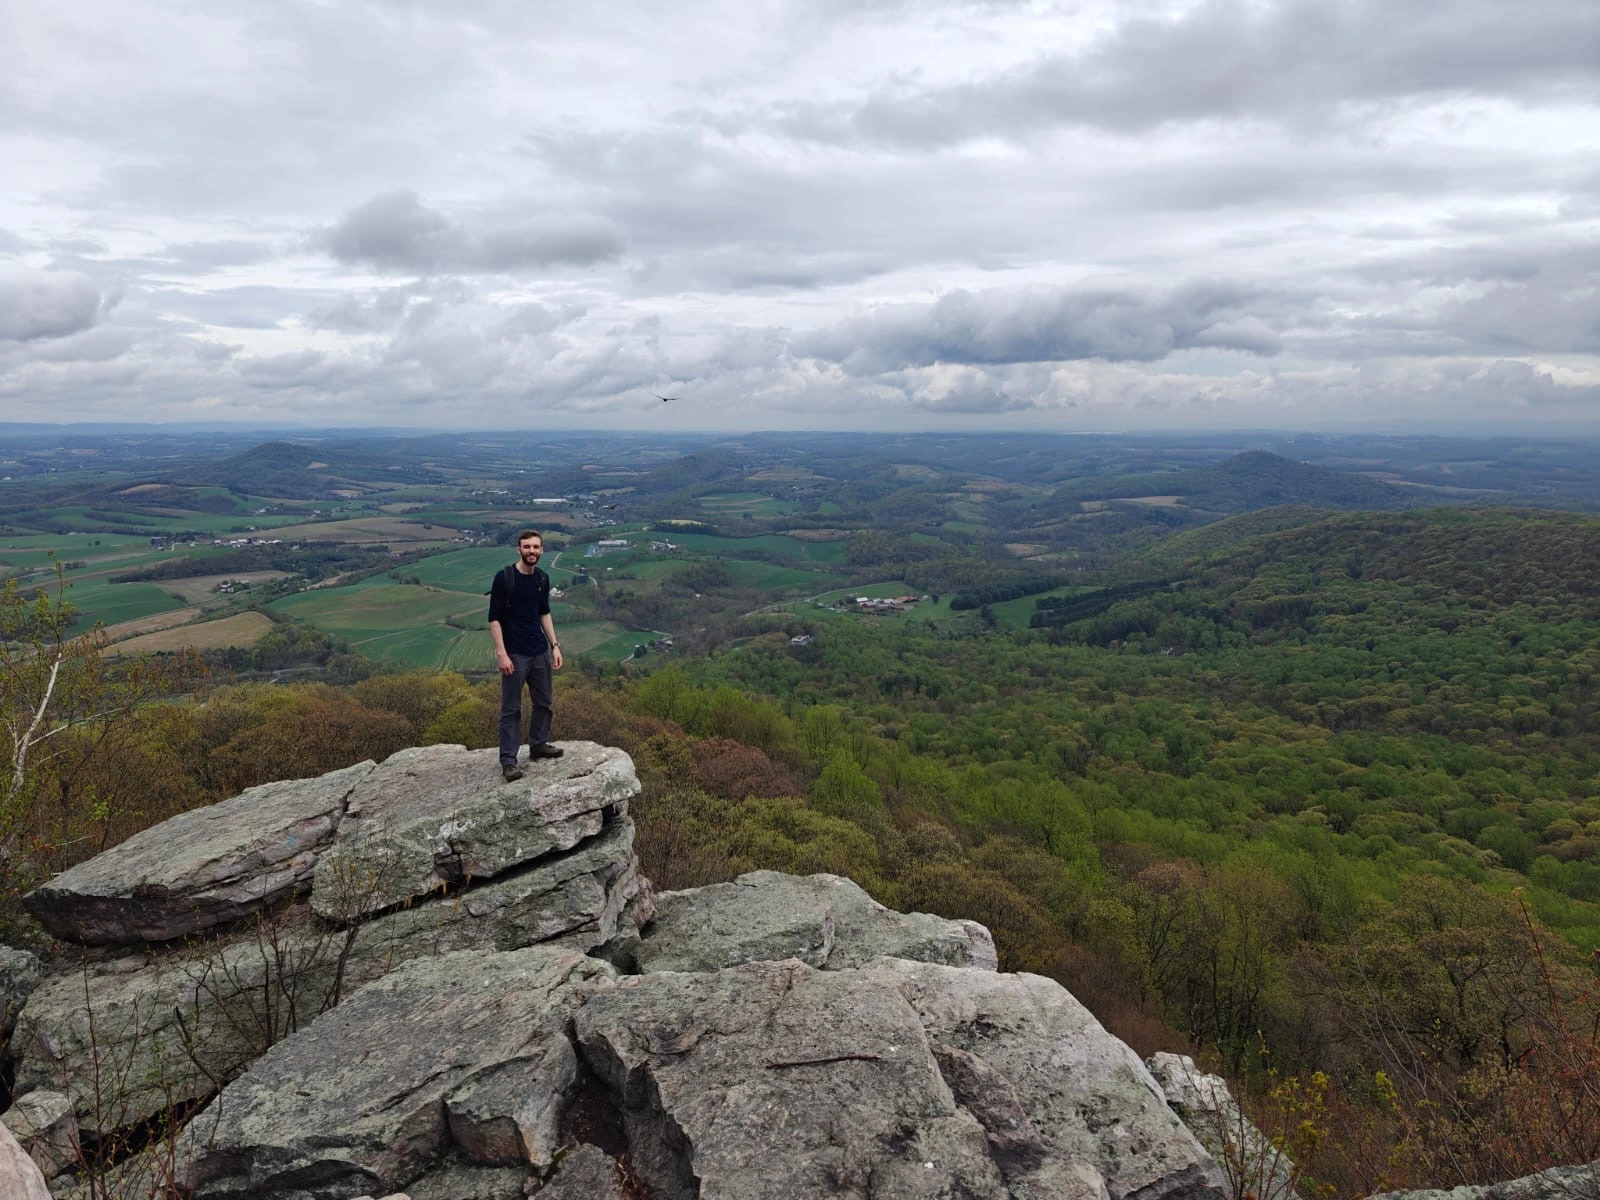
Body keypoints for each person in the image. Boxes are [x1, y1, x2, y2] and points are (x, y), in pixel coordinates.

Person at [488, 529, 564, 781]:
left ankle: (538, 744)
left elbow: (544, 613)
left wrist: (554, 645)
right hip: (515, 654)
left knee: (544, 702)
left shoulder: (542, 578)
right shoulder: (505, 578)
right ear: (518, 549)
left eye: (536, 547)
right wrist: (501, 653)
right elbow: (495, 619)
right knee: (511, 709)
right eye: (527, 547)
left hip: (539, 650)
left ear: (542, 550)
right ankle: (509, 761)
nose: (532, 551)